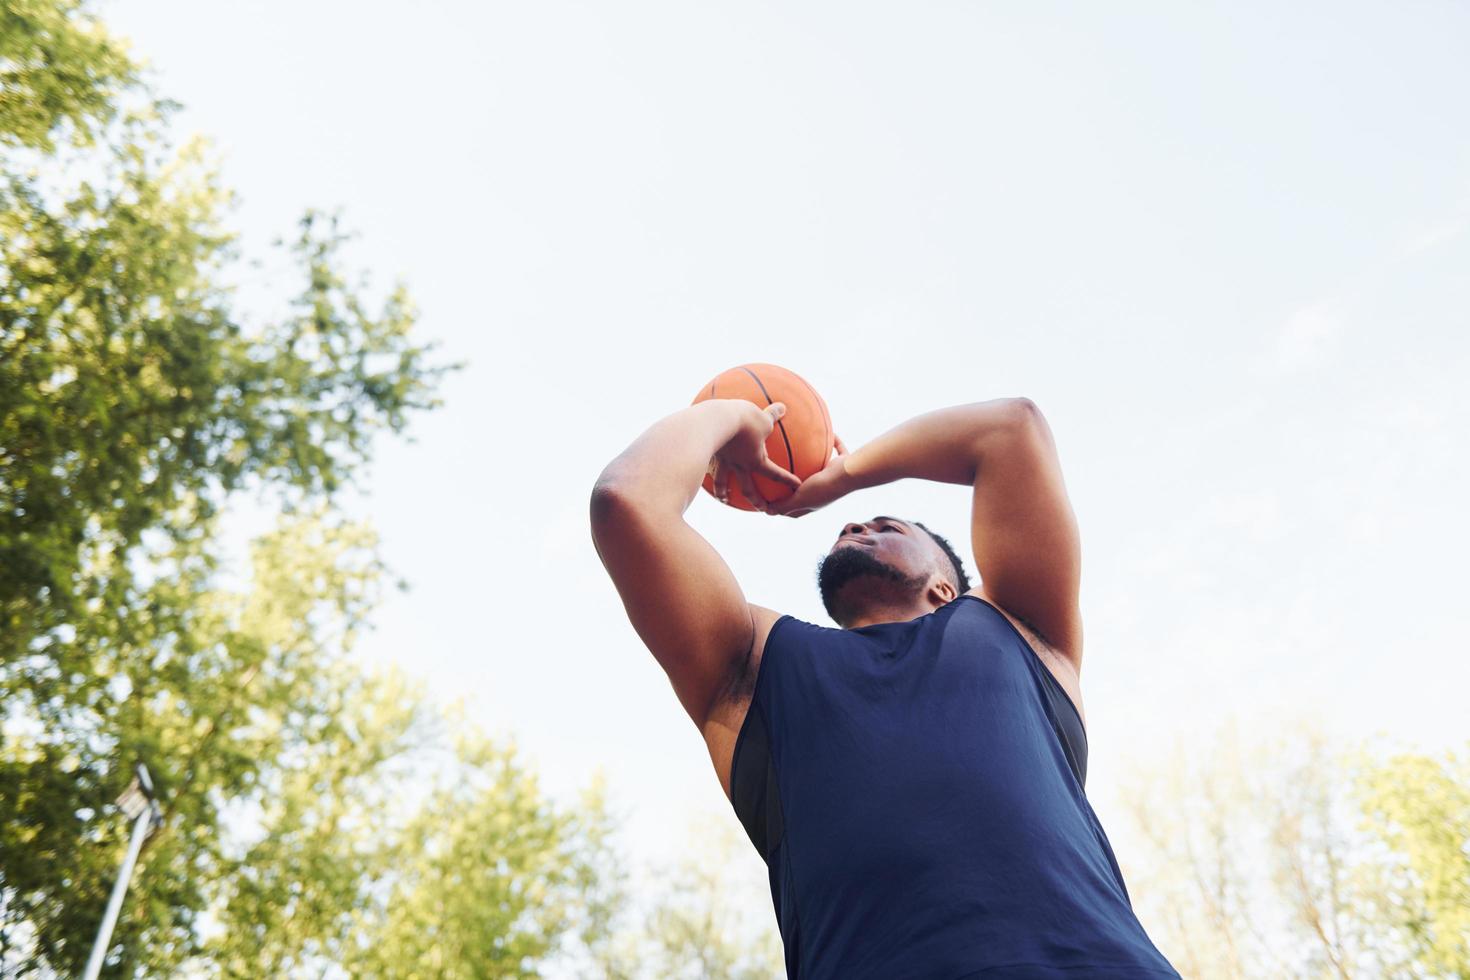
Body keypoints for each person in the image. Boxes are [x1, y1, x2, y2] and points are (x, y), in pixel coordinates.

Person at [590, 396, 1179, 979]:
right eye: (855, 522)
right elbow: (628, 501)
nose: (853, 525)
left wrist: (841, 476)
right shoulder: (756, 664)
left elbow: (1011, 429)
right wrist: (737, 417)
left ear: (946, 588)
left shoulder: (1018, 625)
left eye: (885, 524)